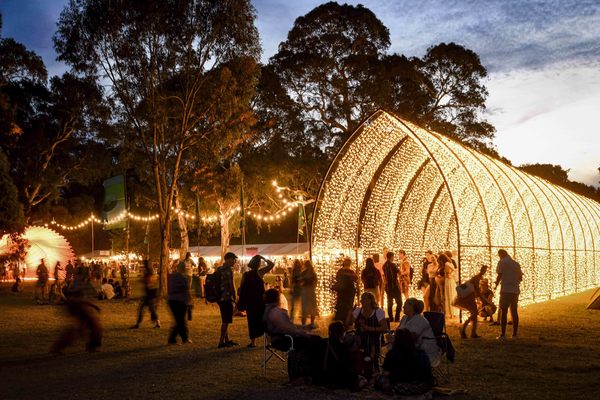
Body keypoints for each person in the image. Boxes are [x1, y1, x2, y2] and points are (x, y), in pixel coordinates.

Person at [377, 328, 434, 396]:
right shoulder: (421, 353)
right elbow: (428, 371)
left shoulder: (392, 354)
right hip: (422, 386)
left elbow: (385, 373)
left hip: (403, 386)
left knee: (380, 379)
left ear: (396, 340)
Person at [312, 321, 366, 391]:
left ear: (329, 332)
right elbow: (345, 366)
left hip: (321, 378)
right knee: (361, 378)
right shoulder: (342, 347)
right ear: (341, 333)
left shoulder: (322, 343)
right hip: (337, 378)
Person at [237, 255, 275, 347]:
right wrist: (263, 258)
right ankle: (269, 342)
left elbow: (240, 289)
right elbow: (271, 264)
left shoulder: (246, 275)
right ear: (258, 264)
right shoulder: (260, 272)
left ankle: (253, 342)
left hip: (250, 301)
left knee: (252, 321)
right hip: (260, 301)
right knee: (264, 320)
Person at [350, 292, 387, 375]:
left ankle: (374, 369)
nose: (361, 300)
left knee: (372, 345)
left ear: (370, 301)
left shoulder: (378, 312)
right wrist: (350, 312)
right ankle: (360, 370)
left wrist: (368, 328)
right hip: (360, 339)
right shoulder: (358, 311)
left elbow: (384, 328)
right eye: (361, 298)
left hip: (374, 338)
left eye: (363, 299)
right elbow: (348, 324)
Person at [397, 298, 441, 367]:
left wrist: (395, 339)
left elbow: (411, 338)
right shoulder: (404, 318)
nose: (403, 307)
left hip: (423, 352)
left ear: (411, 307)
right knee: (395, 355)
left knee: (396, 356)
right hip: (409, 348)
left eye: (405, 305)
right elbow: (398, 332)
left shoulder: (420, 320)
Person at [494, 249, 523, 340]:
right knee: (514, 312)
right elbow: (520, 277)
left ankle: (503, 335)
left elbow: (499, 275)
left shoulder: (502, 262)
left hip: (506, 290)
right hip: (515, 290)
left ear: (501, 254)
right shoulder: (516, 264)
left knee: (504, 311)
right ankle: (514, 334)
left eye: (499, 255)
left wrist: (496, 285)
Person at [454, 265, 489, 339]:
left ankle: (472, 333)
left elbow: (477, 291)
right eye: (484, 270)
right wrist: (484, 301)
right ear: (482, 270)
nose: (484, 271)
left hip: (470, 298)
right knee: (474, 314)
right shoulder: (476, 278)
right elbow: (478, 291)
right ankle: (463, 329)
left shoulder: (479, 278)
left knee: (474, 315)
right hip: (468, 298)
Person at [167, 261, 192, 344]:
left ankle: (177, 339)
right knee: (180, 321)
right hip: (181, 301)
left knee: (179, 320)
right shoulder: (184, 278)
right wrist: (190, 301)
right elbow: (187, 290)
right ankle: (181, 339)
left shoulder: (172, 277)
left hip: (171, 300)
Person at [130, 260, 161, 329]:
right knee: (150, 309)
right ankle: (157, 322)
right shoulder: (152, 271)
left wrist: (143, 281)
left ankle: (138, 324)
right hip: (152, 293)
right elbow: (153, 281)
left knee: (144, 309)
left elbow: (149, 283)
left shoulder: (148, 272)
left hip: (149, 293)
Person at [217, 252, 238, 348]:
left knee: (224, 319)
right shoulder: (229, 270)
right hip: (227, 297)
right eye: (234, 259)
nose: (235, 261)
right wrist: (235, 297)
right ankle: (221, 342)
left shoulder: (219, 269)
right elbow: (232, 285)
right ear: (229, 259)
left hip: (220, 298)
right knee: (226, 320)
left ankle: (226, 340)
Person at [332, 257, 358, 325]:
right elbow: (356, 279)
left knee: (342, 306)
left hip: (343, 292)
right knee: (348, 306)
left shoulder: (341, 271)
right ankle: (347, 320)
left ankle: (342, 319)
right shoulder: (350, 271)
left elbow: (337, 279)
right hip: (349, 292)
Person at [383, 252, 402, 322]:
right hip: (394, 286)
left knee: (390, 303)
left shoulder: (384, 265)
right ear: (391, 257)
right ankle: (397, 317)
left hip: (388, 286)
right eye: (393, 256)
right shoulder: (392, 265)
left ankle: (391, 318)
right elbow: (399, 272)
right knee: (399, 302)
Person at [300, 260, 319, 329]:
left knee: (311, 308)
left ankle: (310, 323)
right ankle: (306, 323)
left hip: (309, 291)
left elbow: (316, 282)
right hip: (307, 291)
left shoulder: (312, 273)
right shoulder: (306, 273)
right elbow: (300, 281)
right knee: (306, 307)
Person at [442, 253, 458, 319]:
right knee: (450, 295)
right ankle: (452, 313)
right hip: (448, 279)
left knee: (450, 295)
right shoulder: (449, 263)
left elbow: (454, 269)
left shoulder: (447, 264)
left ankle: (452, 313)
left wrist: (450, 274)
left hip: (449, 280)